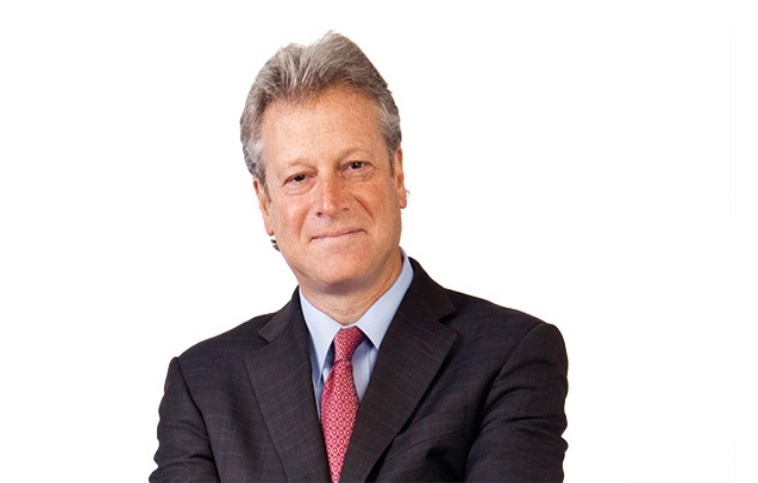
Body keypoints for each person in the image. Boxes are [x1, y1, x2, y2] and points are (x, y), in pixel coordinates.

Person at [151, 31, 568, 483]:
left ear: (397, 173)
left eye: (354, 166)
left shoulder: (509, 356)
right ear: (265, 204)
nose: (329, 202)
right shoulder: (203, 385)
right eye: (299, 177)